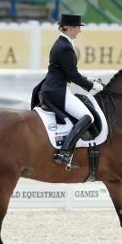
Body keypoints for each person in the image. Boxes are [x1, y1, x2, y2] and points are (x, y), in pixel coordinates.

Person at [31, 14, 104, 169]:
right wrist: (91, 87)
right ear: (70, 28)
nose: (80, 31)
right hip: (58, 90)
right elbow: (72, 75)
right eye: (78, 27)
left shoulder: (62, 43)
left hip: (55, 86)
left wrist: (89, 80)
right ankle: (64, 152)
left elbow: (69, 72)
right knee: (88, 117)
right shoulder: (65, 47)